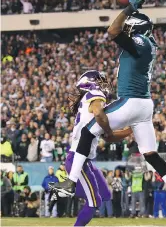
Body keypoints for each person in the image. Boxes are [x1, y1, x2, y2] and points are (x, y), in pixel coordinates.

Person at [50, 0, 166, 224]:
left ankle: (70, 181)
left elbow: (112, 31)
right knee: (151, 155)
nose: (126, 27)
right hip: (144, 105)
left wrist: (129, 9)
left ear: (135, 27)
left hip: (132, 101)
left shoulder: (141, 41)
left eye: (130, 24)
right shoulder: (148, 43)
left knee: (88, 131)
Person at [49, 71, 130, 226]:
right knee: (94, 202)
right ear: (91, 83)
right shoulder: (95, 94)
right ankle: (65, 192)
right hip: (78, 160)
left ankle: (65, 190)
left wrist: (130, 130)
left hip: (85, 161)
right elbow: (100, 115)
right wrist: (109, 129)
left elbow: (109, 136)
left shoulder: (89, 101)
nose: (104, 84)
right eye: (100, 81)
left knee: (105, 194)